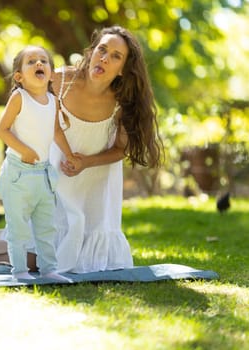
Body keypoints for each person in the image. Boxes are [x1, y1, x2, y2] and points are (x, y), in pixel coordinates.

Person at [48, 25, 163, 273]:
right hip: (54, 176)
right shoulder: (59, 80)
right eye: (102, 49)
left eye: (115, 56)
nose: (104, 58)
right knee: (37, 257)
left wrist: (85, 162)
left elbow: (122, 149)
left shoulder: (122, 102)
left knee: (91, 264)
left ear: (123, 69)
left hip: (96, 181)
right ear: (91, 52)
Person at [0, 45, 75, 282]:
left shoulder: (53, 101)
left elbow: (57, 132)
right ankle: (19, 271)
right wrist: (25, 150)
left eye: (43, 61)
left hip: (43, 174)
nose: (39, 64)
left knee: (46, 227)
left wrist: (70, 155)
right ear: (19, 77)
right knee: (18, 227)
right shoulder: (19, 98)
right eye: (31, 62)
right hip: (18, 174)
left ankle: (49, 269)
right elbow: (2, 130)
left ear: (50, 73)